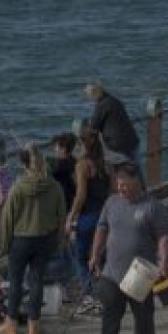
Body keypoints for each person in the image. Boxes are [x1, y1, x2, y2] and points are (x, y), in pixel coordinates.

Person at [89, 165, 168, 334]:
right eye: (118, 183)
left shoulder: (152, 206)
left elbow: (162, 236)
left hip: (140, 270)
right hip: (112, 270)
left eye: (125, 183)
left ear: (137, 182)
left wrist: (163, 263)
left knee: (143, 314)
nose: (121, 187)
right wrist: (95, 255)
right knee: (110, 312)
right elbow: (102, 228)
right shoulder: (111, 202)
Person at [0, 145, 68, 334]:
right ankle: (34, 324)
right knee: (37, 280)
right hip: (45, 239)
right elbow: (62, 215)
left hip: (20, 240)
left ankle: (11, 323)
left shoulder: (18, 188)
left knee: (16, 281)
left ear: (24, 164)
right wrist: (59, 239)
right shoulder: (54, 186)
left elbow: (7, 219)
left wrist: (3, 245)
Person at [66, 127, 111, 301]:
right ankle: (106, 290)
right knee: (100, 254)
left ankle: (91, 292)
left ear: (84, 145)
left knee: (79, 256)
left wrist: (70, 217)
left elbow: (81, 195)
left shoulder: (83, 165)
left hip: (88, 216)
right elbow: (113, 189)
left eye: (78, 144)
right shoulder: (105, 163)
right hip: (105, 213)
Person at [85, 81, 140, 164]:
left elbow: (93, 126)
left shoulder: (102, 105)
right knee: (135, 170)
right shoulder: (115, 101)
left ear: (94, 94)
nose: (90, 98)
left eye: (90, 95)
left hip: (117, 145)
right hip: (132, 141)